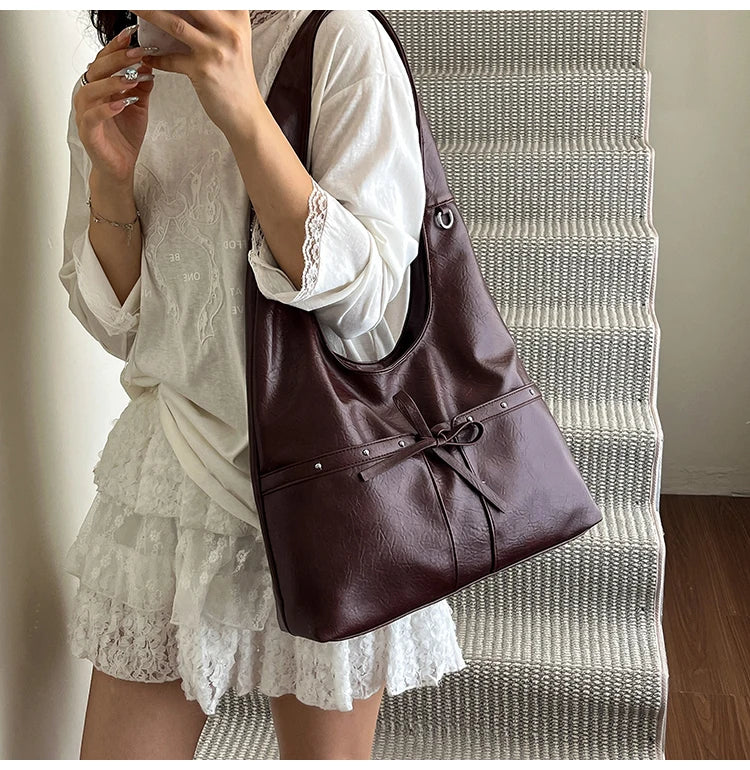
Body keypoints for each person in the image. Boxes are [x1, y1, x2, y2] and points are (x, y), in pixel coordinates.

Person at [60, 10, 467, 760]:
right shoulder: (125, 67)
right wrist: (110, 180)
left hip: (333, 473)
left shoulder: (339, 40)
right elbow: (120, 325)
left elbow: (369, 308)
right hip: (172, 472)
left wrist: (244, 111)